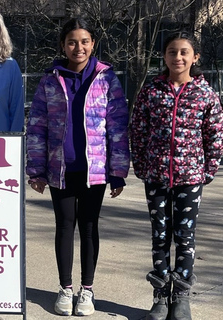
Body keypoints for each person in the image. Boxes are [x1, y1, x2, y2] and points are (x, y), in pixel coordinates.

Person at [26, 17, 130, 316]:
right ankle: (65, 288)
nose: (78, 47)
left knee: (88, 227)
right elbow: (37, 126)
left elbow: (118, 126)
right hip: (60, 168)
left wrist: (118, 171)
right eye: (72, 42)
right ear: (63, 45)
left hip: (94, 170)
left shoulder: (107, 78)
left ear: (93, 43)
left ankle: (87, 291)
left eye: (84, 41)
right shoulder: (50, 79)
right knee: (64, 226)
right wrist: (36, 169)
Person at [130, 31, 223, 320]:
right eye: (172, 52)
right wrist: (142, 165)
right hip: (156, 176)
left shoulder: (204, 94)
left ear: (195, 57)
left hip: (190, 178)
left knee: (185, 237)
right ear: (165, 56)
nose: (178, 57)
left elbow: (215, 133)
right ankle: (160, 295)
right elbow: (138, 129)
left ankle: (181, 295)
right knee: (160, 236)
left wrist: (207, 169)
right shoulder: (152, 91)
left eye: (184, 52)